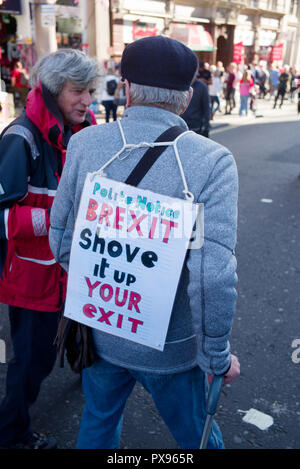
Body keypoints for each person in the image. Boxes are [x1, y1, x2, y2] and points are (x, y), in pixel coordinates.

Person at [49, 36, 240, 449]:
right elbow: (212, 276)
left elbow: (62, 239)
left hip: (99, 328)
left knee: (98, 423)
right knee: (196, 436)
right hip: (169, 347)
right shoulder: (211, 161)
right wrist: (215, 355)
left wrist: (105, 289)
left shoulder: (84, 143)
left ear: (128, 88)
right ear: (187, 98)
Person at [0, 48, 99, 449]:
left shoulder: (83, 133)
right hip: (32, 277)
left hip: (73, 269)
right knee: (31, 362)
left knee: (80, 340)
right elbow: (4, 221)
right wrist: (61, 217)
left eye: (91, 90)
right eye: (79, 91)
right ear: (56, 89)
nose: (88, 100)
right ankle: (12, 433)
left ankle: (84, 370)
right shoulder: (18, 139)